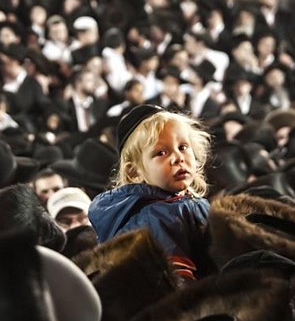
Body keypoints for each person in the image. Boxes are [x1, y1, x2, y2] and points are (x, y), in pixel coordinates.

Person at [88, 104, 213, 279]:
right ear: (134, 172)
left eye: (183, 147)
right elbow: (177, 284)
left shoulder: (179, 203)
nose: (178, 158)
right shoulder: (156, 217)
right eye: (161, 152)